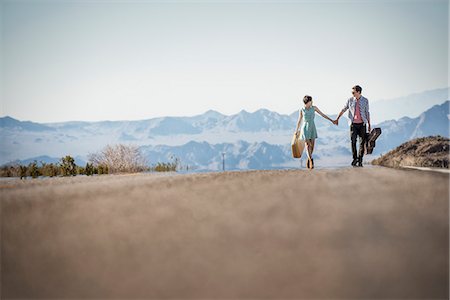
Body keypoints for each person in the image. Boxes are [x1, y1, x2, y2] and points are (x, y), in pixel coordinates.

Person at [333, 85, 371, 167]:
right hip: (353, 124)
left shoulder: (365, 100)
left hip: (362, 124)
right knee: (353, 142)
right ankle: (355, 158)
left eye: (353, 92)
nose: (352, 93)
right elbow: (343, 109)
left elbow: (367, 112)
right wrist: (337, 118)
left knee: (362, 143)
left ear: (358, 92)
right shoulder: (350, 100)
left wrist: (369, 124)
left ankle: (360, 160)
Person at [295, 95, 334, 169]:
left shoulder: (314, 108)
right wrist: (296, 130)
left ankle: (309, 158)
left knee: (312, 146)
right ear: (308, 102)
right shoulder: (302, 110)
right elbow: (299, 120)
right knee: (307, 144)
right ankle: (311, 160)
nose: (312, 102)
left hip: (312, 127)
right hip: (305, 128)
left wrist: (331, 120)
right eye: (311, 101)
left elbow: (322, 115)